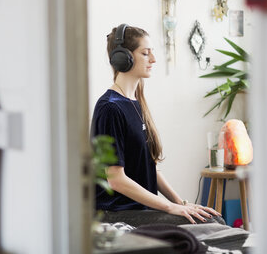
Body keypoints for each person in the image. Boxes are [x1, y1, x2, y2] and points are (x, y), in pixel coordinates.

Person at [92, 24, 223, 227]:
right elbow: (115, 179)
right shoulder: (110, 108)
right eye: (145, 53)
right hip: (116, 213)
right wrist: (170, 208)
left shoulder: (135, 103)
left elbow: (149, 167)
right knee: (211, 225)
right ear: (123, 58)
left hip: (140, 210)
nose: (153, 59)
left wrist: (181, 204)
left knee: (211, 220)